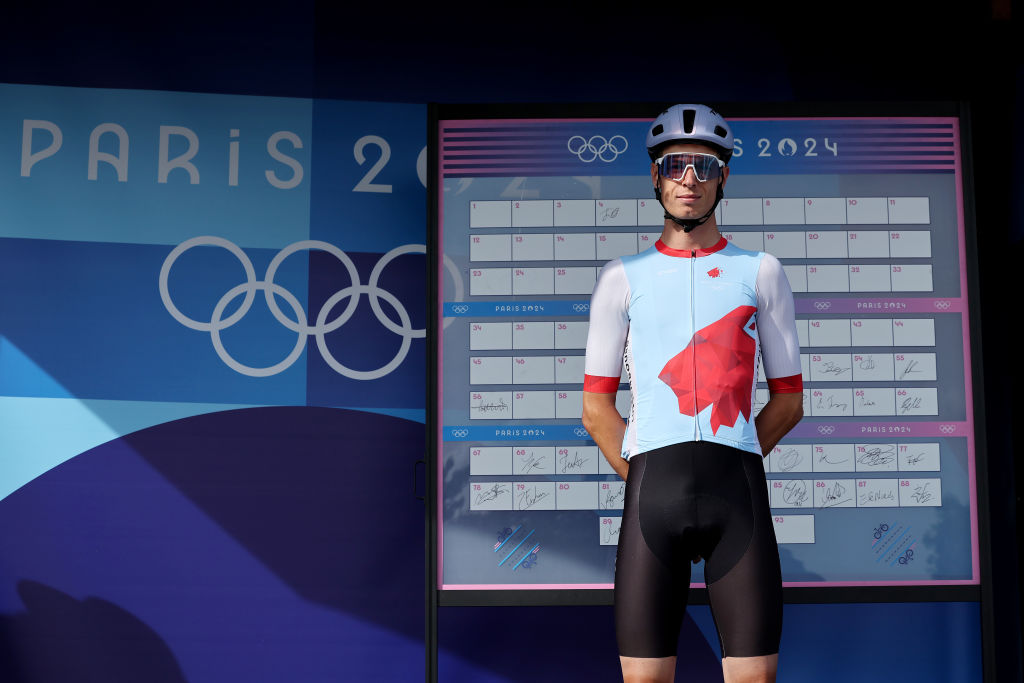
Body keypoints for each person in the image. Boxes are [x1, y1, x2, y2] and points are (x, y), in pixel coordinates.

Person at [582, 104, 803, 683]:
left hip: (738, 498)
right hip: (653, 495)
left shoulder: (761, 271)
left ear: (724, 178)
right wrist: (651, 475)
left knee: (754, 679)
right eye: (676, 165)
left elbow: (788, 401)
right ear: (654, 175)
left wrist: (732, 457)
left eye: (704, 167)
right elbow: (595, 409)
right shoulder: (620, 278)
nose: (689, 179)